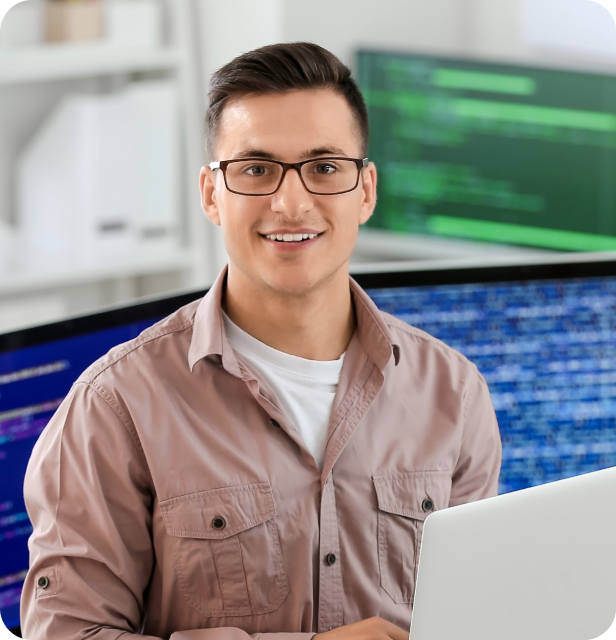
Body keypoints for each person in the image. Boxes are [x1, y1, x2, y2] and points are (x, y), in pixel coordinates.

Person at [21, 42, 502, 640]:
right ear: (211, 194)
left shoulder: (455, 395)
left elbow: (474, 617)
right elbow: (66, 633)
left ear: (367, 191)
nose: (291, 203)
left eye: (325, 167)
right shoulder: (114, 407)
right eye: (255, 169)